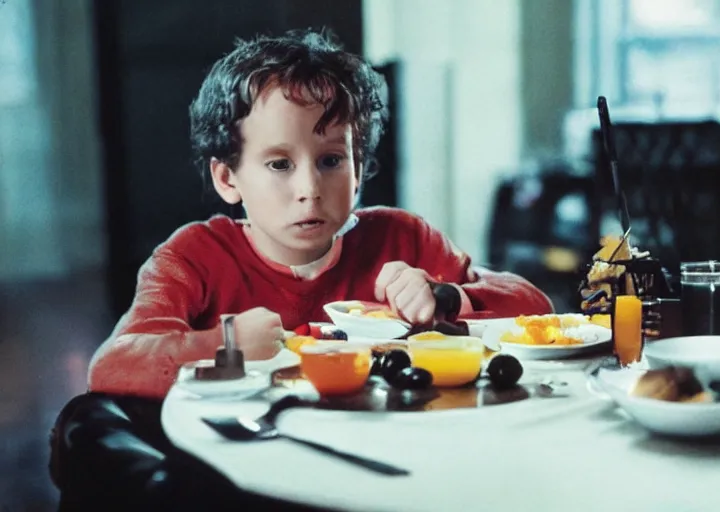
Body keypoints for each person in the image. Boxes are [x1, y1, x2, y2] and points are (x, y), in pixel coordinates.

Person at [87, 29, 553, 399]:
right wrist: (224, 347)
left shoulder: (402, 238)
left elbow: (536, 309)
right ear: (228, 179)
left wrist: (446, 297)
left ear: (358, 169)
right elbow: (114, 366)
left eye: (331, 160)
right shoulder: (194, 255)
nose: (309, 190)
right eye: (279, 164)